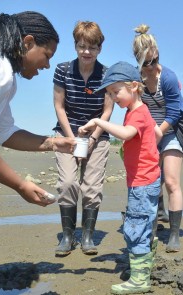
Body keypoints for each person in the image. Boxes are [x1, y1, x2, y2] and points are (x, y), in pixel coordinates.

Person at [0, 10, 75, 259]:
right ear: (27, 42)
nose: (47, 65)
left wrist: (54, 143)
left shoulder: (3, 71)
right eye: (46, 55)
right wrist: (20, 186)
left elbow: (4, 132)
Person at [78, 61, 161, 295]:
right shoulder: (139, 111)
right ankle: (144, 267)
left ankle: (140, 280)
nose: (113, 97)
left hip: (142, 182)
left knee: (135, 227)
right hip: (147, 179)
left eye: (116, 92)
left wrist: (97, 122)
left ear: (134, 86)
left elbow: (127, 133)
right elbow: (154, 133)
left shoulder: (136, 113)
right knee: (143, 223)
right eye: (110, 93)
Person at [52, 21, 113, 256]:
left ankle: (87, 236)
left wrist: (93, 140)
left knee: (91, 187)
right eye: (82, 46)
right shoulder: (62, 69)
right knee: (68, 183)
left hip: (98, 135)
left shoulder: (107, 74)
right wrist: (72, 140)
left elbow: (107, 111)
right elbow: (59, 107)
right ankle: (68, 236)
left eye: (92, 47)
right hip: (67, 131)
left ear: (100, 49)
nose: (87, 52)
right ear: (75, 46)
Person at [132, 24, 183, 252]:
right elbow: (133, 108)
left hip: (171, 131)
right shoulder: (135, 79)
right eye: (146, 64)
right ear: (138, 61)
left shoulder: (168, 77)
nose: (151, 68)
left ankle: (174, 234)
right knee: (151, 183)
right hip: (149, 134)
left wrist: (158, 132)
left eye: (154, 61)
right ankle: (153, 228)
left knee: (171, 182)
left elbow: (176, 110)